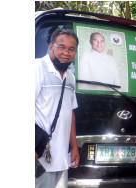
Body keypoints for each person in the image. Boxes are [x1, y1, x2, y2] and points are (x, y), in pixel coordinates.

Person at [33, 27, 79, 188]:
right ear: (51, 47)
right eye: (61, 47)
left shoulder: (70, 77)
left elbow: (70, 111)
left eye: (71, 49)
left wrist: (74, 147)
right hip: (40, 156)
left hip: (61, 158)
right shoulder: (37, 67)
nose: (66, 52)